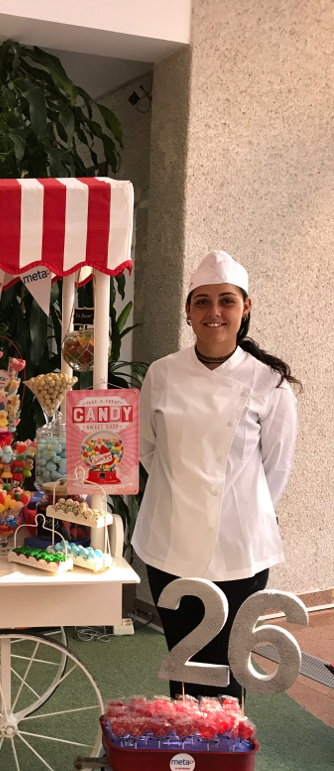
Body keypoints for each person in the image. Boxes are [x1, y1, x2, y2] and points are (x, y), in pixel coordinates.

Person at [132, 250, 300, 699]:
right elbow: (148, 450)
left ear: (246, 308)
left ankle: (223, 762)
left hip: (240, 548)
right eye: (202, 301)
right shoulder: (163, 374)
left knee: (229, 665)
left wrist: (235, 506)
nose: (214, 312)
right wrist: (182, 492)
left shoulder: (270, 382)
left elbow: (276, 468)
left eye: (226, 300)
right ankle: (184, 757)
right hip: (169, 541)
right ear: (188, 312)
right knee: (181, 660)